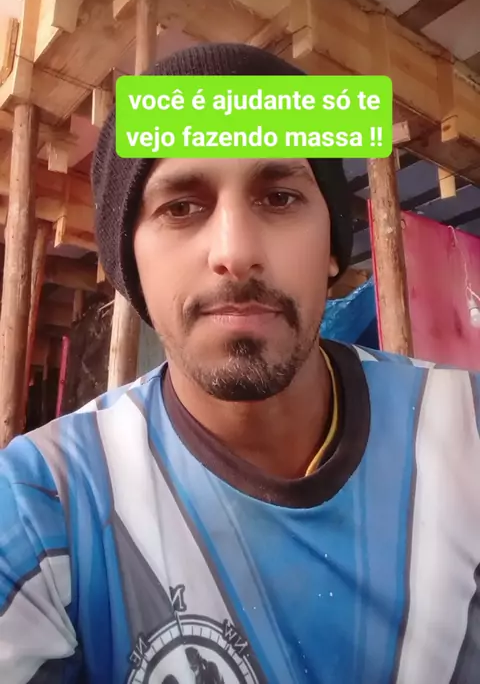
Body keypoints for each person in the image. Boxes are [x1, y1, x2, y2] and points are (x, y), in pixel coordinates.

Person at [0, 43, 479, 684]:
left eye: (278, 197)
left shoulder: (468, 430)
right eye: (181, 206)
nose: (235, 250)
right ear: (129, 266)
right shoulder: (43, 502)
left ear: (332, 247)